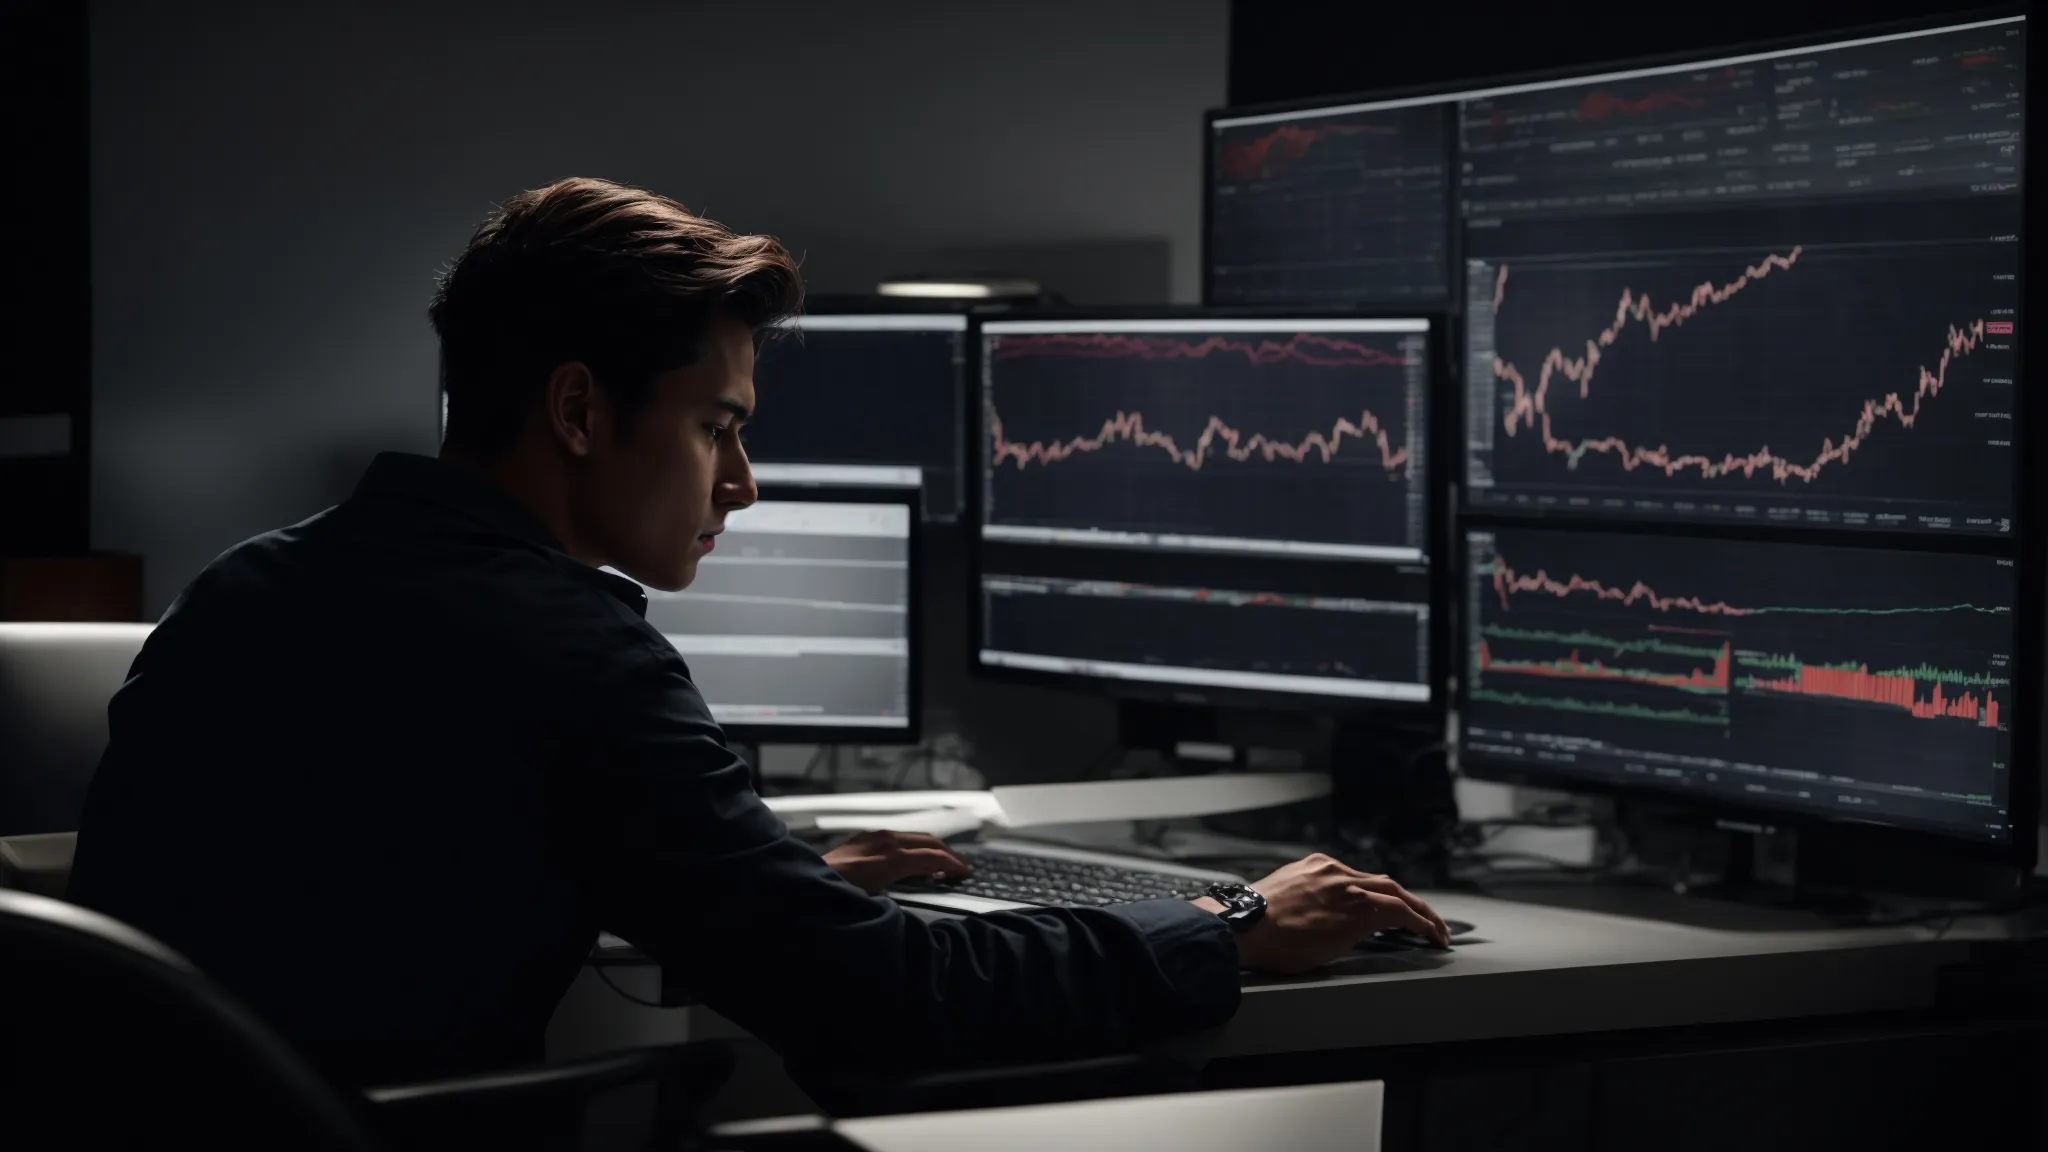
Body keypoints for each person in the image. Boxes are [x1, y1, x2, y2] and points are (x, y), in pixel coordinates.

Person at [69, 177, 1449, 1103]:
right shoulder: (566, 649)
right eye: (719, 426)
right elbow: (885, 1000)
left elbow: (387, 878)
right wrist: (1223, 926)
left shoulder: (249, 591)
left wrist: (763, 871)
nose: (744, 480)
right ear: (576, 410)